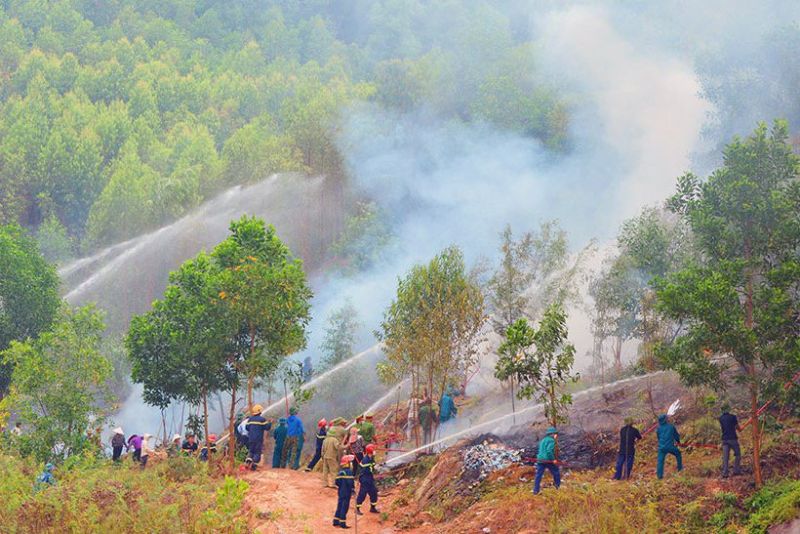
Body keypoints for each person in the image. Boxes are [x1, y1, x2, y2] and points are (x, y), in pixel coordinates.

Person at [533, 427, 561, 494]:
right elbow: (549, 451)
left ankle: (535, 491)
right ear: (553, 434)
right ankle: (557, 487)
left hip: (540, 459)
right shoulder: (551, 441)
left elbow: (541, 450)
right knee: (556, 472)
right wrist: (553, 459)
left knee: (538, 475)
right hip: (548, 460)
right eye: (556, 434)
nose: (556, 436)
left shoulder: (543, 440)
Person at [656, 414, 683, 479]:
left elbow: (658, 438)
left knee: (660, 461)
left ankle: (659, 476)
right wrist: (678, 442)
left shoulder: (658, 429)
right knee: (678, 453)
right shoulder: (671, 427)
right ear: (665, 419)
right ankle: (680, 469)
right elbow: (676, 436)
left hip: (661, 447)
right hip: (670, 447)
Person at [355, 444, 380, 515]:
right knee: (362, 494)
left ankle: (373, 508)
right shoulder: (365, 460)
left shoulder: (371, 458)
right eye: (373, 450)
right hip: (365, 479)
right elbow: (367, 470)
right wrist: (374, 468)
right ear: (370, 451)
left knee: (374, 493)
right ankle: (357, 508)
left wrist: (376, 466)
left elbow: (373, 465)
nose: (375, 452)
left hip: (370, 478)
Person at [245, 404, 271, 471]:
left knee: (251, 450)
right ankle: (253, 465)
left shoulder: (250, 419)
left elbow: (247, 428)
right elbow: (267, 428)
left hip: (250, 438)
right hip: (258, 439)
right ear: (259, 411)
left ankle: (248, 461)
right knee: (257, 452)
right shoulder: (262, 419)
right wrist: (270, 423)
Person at [719, 404, 742, 478]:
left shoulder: (720, 418)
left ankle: (725, 473)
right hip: (732, 438)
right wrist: (740, 429)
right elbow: (737, 427)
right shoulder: (733, 417)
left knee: (725, 457)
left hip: (724, 439)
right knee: (738, 454)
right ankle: (736, 470)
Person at [333, 455, 356, 529]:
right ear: (347, 463)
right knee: (344, 507)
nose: (351, 464)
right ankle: (342, 523)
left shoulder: (340, 472)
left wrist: (341, 486)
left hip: (341, 492)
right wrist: (352, 489)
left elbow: (337, 482)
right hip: (347, 492)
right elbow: (350, 482)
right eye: (350, 462)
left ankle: (336, 521)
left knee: (339, 505)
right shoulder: (349, 472)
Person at [322, 422, 342, 488]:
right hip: (332, 457)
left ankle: (325, 483)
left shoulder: (325, 440)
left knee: (325, 471)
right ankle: (334, 484)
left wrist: (323, 457)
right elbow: (337, 447)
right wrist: (344, 446)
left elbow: (322, 450)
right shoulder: (334, 440)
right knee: (334, 470)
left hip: (325, 457)